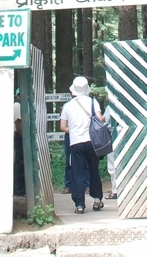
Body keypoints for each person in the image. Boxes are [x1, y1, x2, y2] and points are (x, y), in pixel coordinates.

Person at [59, 76, 104, 214]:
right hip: (92, 142)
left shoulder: (68, 106)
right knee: (93, 170)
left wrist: (73, 131)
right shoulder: (93, 102)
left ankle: (79, 204)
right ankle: (97, 200)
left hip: (76, 143)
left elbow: (62, 126)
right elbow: (99, 119)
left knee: (77, 173)